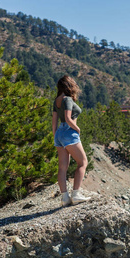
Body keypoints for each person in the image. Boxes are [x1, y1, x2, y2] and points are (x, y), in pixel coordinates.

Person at [52, 75, 90, 206]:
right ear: (69, 85)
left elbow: (54, 124)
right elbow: (68, 118)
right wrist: (77, 129)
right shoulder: (67, 99)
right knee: (83, 162)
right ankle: (76, 194)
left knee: (62, 167)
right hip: (69, 131)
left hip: (58, 134)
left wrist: (57, 137)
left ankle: (65, 197)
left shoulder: (56, 100)